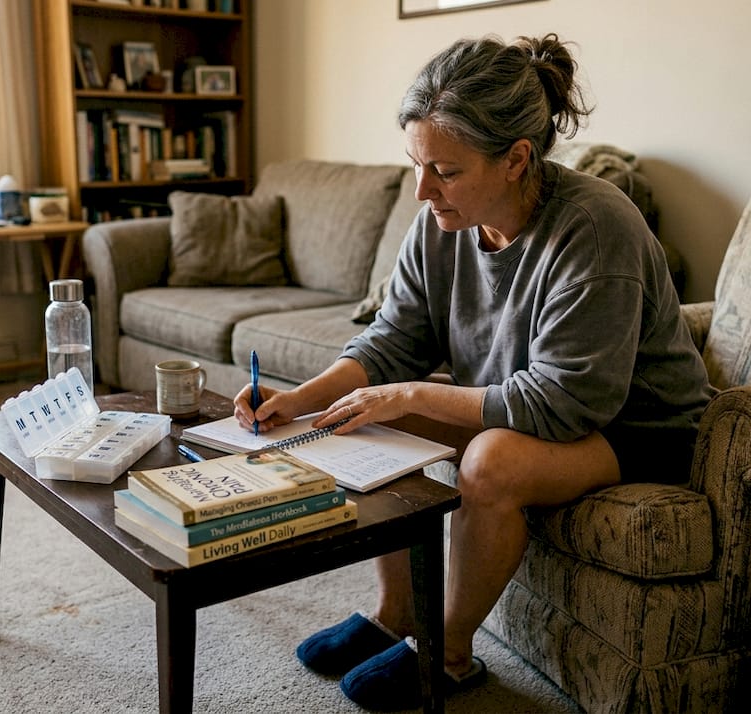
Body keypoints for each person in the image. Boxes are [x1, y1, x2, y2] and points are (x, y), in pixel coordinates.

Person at [231, 34, 714, 711]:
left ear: (517, 159)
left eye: (446, 171)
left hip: (634, 427)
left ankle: (448, 653)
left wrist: (404, 396)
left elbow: (563, 405)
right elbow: (394, 337)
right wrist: (297, 400)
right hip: (536, 406)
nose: (424, 190)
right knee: (360, 421)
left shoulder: (597, 227)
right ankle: (395, 614)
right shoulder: (441, 222)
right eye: (417, 166)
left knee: (488, 462)